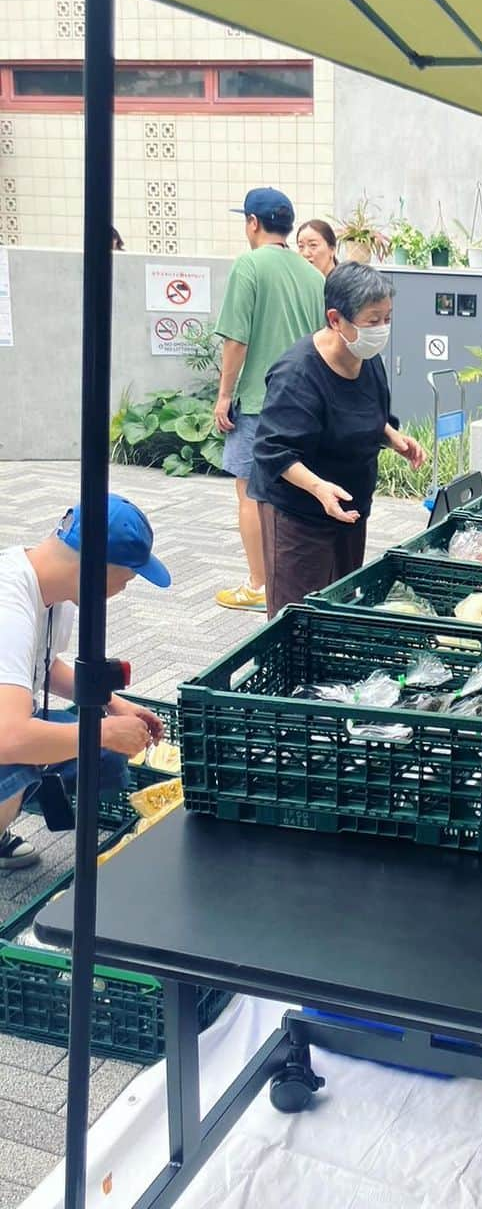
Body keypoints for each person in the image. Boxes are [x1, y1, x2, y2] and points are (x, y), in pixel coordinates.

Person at [0, 495, 171, 869]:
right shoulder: (8, 605)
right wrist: (103, 732)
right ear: (96, 566)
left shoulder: (50, 588)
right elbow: (9, 737)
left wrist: (112, 704)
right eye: (125, 577)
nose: (124, 588)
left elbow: (38, 667)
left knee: (102, 755)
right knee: (23, 758)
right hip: (4, 736)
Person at [247, 262, 426, 619]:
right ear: (335, 319)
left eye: (388, 318)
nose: (382, 329)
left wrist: (392, 437)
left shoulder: (366, 356)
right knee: (298, 617)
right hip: (301, 515)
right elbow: (273, 449)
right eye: (372, 321)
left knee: (340, 605)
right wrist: (319, 488)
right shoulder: (298, 372)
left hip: (349, 509)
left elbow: (367, 412)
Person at [213, 187, 325, 612]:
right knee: (297, 495)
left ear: (253, 223)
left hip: (259, 402)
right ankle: (296, 583)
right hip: (304, 405)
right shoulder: (314, 275)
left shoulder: (249, 266)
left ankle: (260, 585)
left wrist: (224, 396)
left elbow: (236, 340)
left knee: (250, 496)